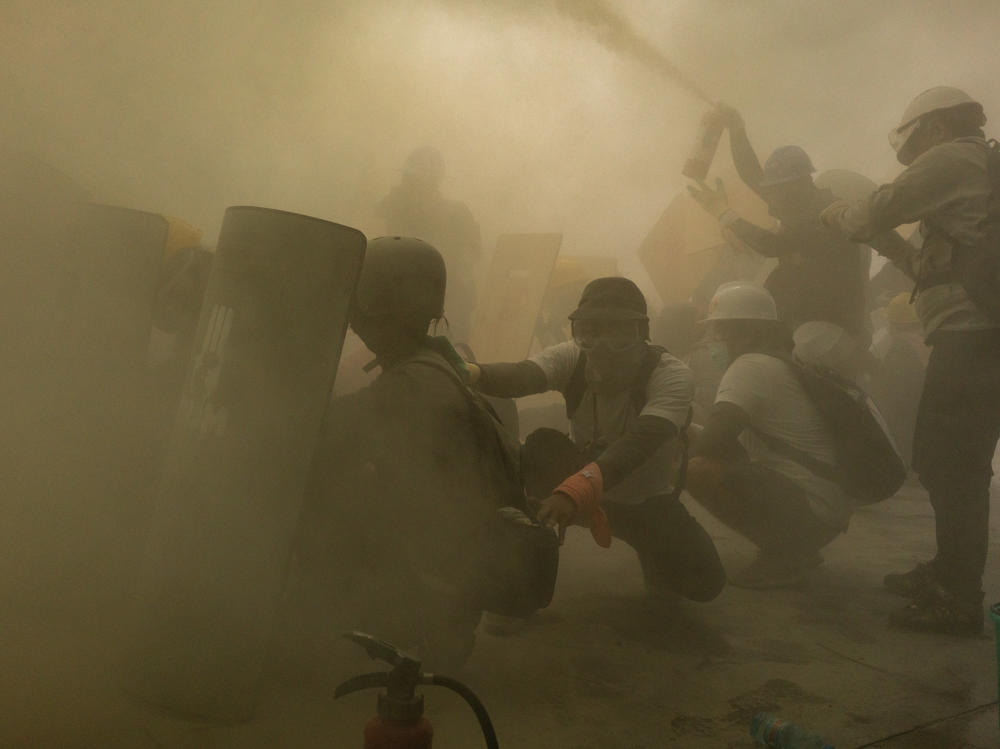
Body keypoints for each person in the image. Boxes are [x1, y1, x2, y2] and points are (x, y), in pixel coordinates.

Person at [298, 236, 530, 668]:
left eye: (357, 308)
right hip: (456, 554)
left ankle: (429, 623)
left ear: (374, 307)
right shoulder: (437, 363)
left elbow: (326, 436)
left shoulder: (413, 385)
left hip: (440, 568)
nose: (352, 321)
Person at [821, 86, 1000, 635]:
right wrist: (881, 239)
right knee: (946, 461)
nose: (913, 153)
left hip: (976, 336)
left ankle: (957, 596)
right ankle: (949, 572)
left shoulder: (957, 156)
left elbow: (874, 209)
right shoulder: (967, 182)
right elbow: (923, 265)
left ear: (936, 128)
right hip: (970, 337)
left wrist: (844, 216)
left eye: (915, 139)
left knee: (957, 467)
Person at [466, 277, 726, 603]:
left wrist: (575, 490)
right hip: (578, 490)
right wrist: (467, 371)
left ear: (642, 334)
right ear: (579, 334)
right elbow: (520, 377)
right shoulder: (573, 357)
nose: (603, 347)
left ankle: (653, 556)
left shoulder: (670, 375)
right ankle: (518, 587)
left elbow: (638, 445)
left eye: (618, 332)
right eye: (590, 332)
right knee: (541, 448)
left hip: (642, 501)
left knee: (704, 583)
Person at [685, 283, 851, 589]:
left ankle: (785, 553)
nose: (712, 341)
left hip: (809, 508)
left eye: (718, 332)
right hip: (824, 506)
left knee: (691, 468)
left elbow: (714, 442)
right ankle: (798, 548)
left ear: (745, 333)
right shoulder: (777, 360)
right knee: (691, 446)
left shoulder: (749, 367)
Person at [686, 105, 869, 348]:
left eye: (776, 188)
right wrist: (737, 131)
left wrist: (723, 213)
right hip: (815, 320)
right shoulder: (799, 201)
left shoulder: (820, 212)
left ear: (794, 184)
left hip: (831, 328)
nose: (770, 196)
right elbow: (753, 175)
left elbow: (772, 245)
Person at [377, 146, 482, 341]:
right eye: (409, 181)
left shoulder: (456, 213)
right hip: (407, 304)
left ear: (434, 183)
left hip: (450, 303)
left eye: (418, 181)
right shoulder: (398, 211)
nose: (411, 186)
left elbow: (473, 254)